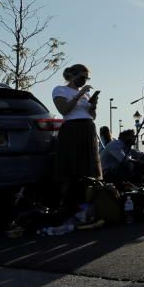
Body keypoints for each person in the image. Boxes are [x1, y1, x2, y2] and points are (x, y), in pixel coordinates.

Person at [51, 64, 102, 212]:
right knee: (70, 166)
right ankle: (66, 203)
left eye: (87, 78)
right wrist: (79, 95)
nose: (84, 81)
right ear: (72, 76)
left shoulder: (85, 94)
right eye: (82, 77)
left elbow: (92, 116)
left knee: (89, 166)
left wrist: (93, 106)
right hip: (72, 129)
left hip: (88, 128)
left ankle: (88, 201)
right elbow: (64, 110)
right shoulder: (60, 90)